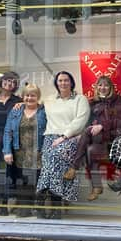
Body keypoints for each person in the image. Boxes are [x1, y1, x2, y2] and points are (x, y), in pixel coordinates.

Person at [36, 71, 90, 219]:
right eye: (60, 80)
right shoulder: (49, 99)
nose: (63, 83)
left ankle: (41, 199)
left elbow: (81, 120)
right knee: (50, 164)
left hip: (71, 138)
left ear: (71, 82)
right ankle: (54, 208)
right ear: (56, 83)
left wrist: (64, 136)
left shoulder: (80, 99)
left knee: (52, 159)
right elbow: (33, 105)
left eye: (66, 80)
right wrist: (20, 102)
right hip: (49, 137)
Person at [63, 75, 121, 201]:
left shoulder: (118, 101)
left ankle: (74, 168)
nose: (103, 88)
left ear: (111, 88)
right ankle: (96, 187)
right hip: (97, 138)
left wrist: (102, 126)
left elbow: (120, 121)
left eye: (106, 85)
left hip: (113, 136)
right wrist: (86, 130)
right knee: (90, 150)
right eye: (100, 85)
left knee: (88, 135)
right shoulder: (92, 102)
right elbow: (87, 121)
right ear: (96, 87)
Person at [2, 84, 47, 217]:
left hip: (39, 151)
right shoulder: (16, 110)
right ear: (23, 97)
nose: (29, 98)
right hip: (20, 151)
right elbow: (7, 131)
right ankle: (25, 207)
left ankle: (39, 208)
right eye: (27, 95)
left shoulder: (44, 110)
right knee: (23, 180)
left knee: (40, 180)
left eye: (33, 95)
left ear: (38, 97)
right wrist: (7, 151)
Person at [0, 71, 22, 216]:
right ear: (2, 81)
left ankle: (6, 203)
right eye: (7, 80)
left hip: (9, 138)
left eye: (12, 82)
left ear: (15, 85)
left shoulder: (18, 101)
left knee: (8, 172)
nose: (9, 84)